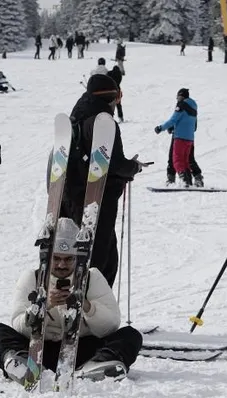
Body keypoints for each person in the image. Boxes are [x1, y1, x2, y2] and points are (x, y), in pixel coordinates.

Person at [0, 218, 143, 385]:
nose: (62, 264)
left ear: (77, 258)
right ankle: (25, 369)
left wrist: (86, 306)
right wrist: (44, 307)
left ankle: (95, 368)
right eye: (57, 258)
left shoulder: (92, 277)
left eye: (69, 259)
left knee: (130, 335)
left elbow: (111, 325)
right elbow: (18, 325)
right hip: (39, 351)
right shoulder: (32, 277)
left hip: (81, 350)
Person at [61, 74, 143, 286]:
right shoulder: (103, 123)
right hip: (96, 198)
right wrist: (133, 167)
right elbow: (112, 163)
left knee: (87, 251)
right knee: (102, 257)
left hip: (68, 194)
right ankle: (93, 303)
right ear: (112, 97)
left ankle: (77, 297)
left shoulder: (76, 119)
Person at [154, 88, 198, 187]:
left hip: (180, 137)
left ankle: (184, 181)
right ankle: (188, 181)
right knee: (185, 161)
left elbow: (173, 120)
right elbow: (192, 123)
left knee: (176, 160)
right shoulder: (194, 106)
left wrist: (161, 128)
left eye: (177, 97)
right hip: (190, 139)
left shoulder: (181, 105)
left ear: (181, 96)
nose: (177, 99)